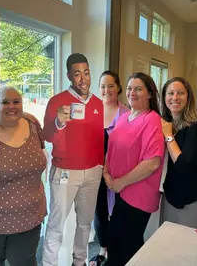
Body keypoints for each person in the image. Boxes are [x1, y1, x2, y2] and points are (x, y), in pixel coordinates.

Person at [42, 53, 104, 266]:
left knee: (85, 224)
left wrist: (101, 165)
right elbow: (47, 136)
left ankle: (80, 262)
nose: (83, 78)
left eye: (86, 73)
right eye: (77, 74)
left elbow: (98, 139)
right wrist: (59, 122)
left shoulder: (98, 103)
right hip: (65, 171)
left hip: (93, 172)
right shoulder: (57, 102)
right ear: (69, 76)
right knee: (56, 224)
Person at [0, 86, 47, 266]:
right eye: (5, 102)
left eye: (16, 101)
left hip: (29, 217)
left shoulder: (33, 124)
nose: (12, 106)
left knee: (25, 262)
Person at [104, 72, 165, 266]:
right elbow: (111, 149)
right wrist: (106, 172)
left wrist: (121, 182)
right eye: (130, 88)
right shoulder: (124, 118)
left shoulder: (152, 120)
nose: (132, 93)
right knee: (117, 244)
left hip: (137, 194)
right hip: (118, 191)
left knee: (126, 247)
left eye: (139, 89)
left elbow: (152, 162)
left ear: (149, 94)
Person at [160, 77, 197, 229]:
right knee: (169, 246)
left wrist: (168, 137)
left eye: (180, 93)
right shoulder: (165, 124)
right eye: (170, 93)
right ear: (164, 97)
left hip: (193, 199)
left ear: (188, 98)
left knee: (191, 249)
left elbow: (184, 165)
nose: (175, 97)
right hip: (170, 196)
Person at [90, 70, 129, 266]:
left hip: (117, 173)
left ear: (119, 88)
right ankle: (103, 247)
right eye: (103, 86)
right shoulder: (91, 111)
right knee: (99, 211)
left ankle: (117, 249)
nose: (106, 90)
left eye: (111, 85)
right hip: (94, 171)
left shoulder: (127, 114)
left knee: (118, 211)